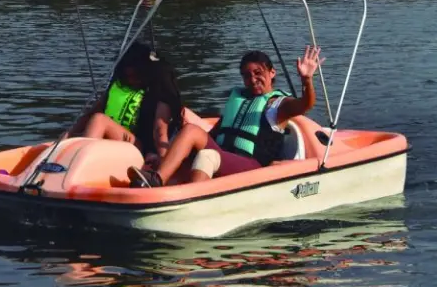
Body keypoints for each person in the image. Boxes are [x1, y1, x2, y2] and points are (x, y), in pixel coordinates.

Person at [128, 46, 323, 188]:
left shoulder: (278, 105)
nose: (252, 79)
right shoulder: (238, 99)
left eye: (258, 73)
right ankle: (159, 178)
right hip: (225, 155)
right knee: (190, 133)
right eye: (247, 76)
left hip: (251, 165)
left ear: (272, 72)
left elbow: (305, 104)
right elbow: (216, 133)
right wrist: (174, 154)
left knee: (207, 155)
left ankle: (186, 197)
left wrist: (306, 79)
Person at [63, 42, 182, 162]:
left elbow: (159, 129)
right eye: (128, 76)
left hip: (139, 146)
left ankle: (80, 161)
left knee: (99, 119)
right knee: (95, 118)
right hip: (116, 137)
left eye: (135, 76)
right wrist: (66, 136)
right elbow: (92, 112)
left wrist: (163, 159)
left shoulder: (158, 87)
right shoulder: (120, 84)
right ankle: (75, 157)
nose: (131, 80)